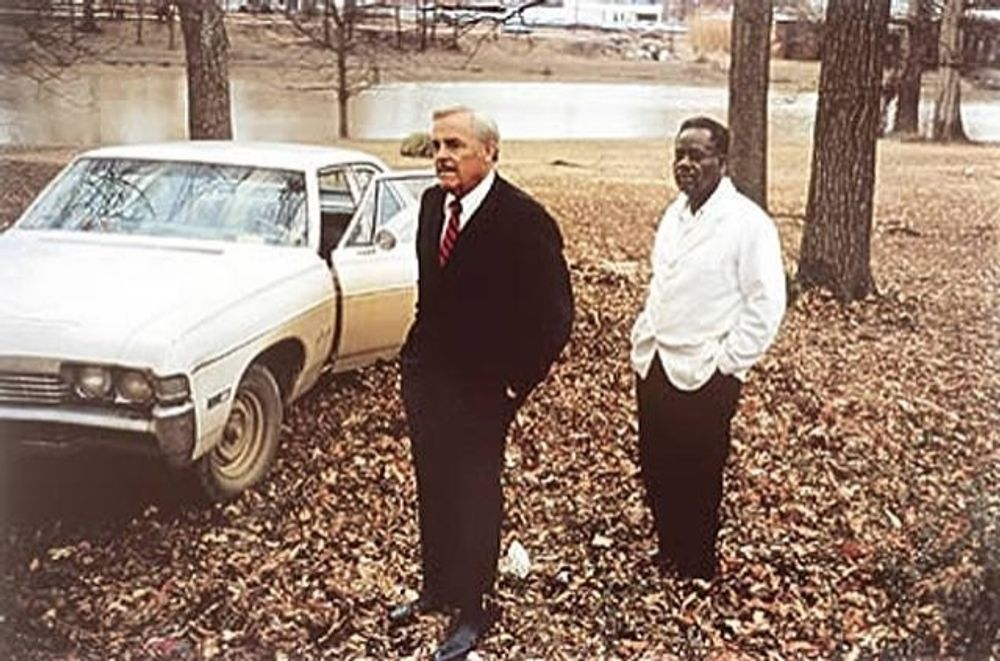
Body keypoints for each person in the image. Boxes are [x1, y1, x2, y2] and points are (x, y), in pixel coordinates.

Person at [390, 106, 573, 660]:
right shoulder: (430, 207)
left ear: (490, 151)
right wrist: (415, 363)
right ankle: (437, 588)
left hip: (485, 391)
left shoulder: (523, 220)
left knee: (474, 494)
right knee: (434, 484)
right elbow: (433, 294)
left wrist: (515, 386)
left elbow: (554, 318)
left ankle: (474, 606)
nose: (442, 155)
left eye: (457, 145)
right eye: (438, 144)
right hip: (429, 383)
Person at [630, 116, 785, 580]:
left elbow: (767, 303)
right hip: (656, 360)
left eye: (697, 155)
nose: (685, 164)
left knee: (698, 469)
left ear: (723, 161)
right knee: (656, 461)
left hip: (706, 369)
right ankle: (669, 548)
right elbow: (665, 280)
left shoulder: (747, 224)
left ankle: (696, 560)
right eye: (679, 154)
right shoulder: (673, 215)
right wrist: (645, 333)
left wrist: (728, 362)